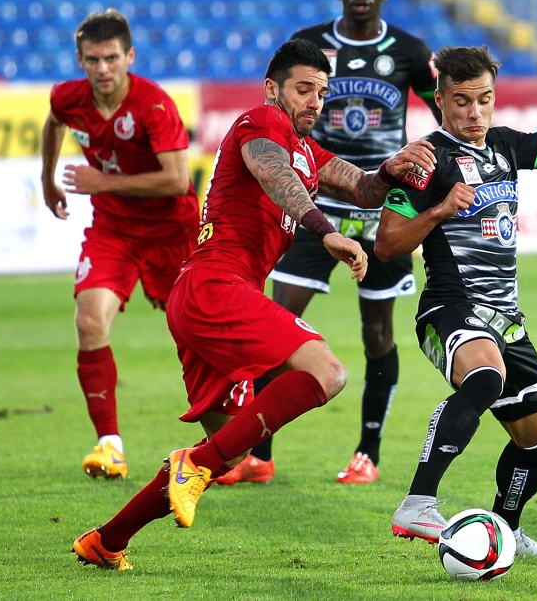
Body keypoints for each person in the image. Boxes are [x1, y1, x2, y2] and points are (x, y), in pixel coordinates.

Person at [71, 38, 437, 570]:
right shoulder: (259, 124)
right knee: (327, 372)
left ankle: (106, 540)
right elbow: (273, 174)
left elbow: (361, 187)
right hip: (217, 286)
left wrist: (394, 168)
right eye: (303, 89)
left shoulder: (309, 150)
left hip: (205, 296)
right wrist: (324, 231)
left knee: (231, 450)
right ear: (273, 89)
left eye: (322, 92)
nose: (315, 101)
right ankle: (192, 466)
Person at [377, 38, 537, 556]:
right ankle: (418, 503)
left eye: (485, 99)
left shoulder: (503, 145)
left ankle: (506, 528)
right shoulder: (425, 160)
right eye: (462, 101)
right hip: (449, 309)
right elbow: (387, 245)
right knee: (484, 376)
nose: (475, 112)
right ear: (440, 99)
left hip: (507, 320)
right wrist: (438, 212)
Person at [216, 0, 441, 487]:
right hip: (312, 200)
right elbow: (285, 146)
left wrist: (424, 172)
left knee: (377, 333)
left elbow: (445, 118)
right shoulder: (310, 47)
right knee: (277, 326)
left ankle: (368, 453)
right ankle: (258, 454)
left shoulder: (410, 51)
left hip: (378, 204)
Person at [40, 9, 198, 481]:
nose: (103, 69)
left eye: (112, 58)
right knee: (89, 320)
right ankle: (110, 444)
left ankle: (234, 442)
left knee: (199, 338)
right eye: (93, 59)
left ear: (129, 56)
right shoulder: (68, 97)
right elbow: (53, 123)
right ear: (80, 59)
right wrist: (47, 179)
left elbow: (176, 180)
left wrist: (103, 181)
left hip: (173, 233)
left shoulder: (154, 105)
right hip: (113, 231)